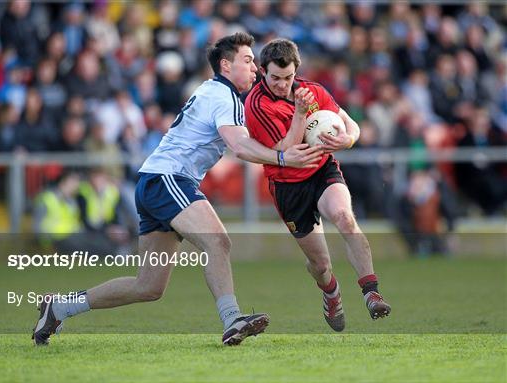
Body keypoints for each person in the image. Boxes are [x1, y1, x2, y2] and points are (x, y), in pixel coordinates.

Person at [32, 32, 324, 346]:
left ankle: (59, 307)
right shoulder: (222, 96)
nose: (255, 68)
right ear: (226, 65)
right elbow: (240, 146)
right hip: (167, 179)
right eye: (248, 60)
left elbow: (255, 143)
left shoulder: (222, 95)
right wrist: (283, 157)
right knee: (218, 242)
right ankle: (232, 319)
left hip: (157, 181)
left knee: (148, 287)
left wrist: (295, 124)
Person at [244, 38, 391, 332]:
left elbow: (352, 126)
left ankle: (371, 293)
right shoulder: (257, 104)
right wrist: (300, 114)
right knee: (321, 266)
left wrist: (347, 140)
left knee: (345, 218)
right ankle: (331, 292)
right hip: (288, 187)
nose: (283, 85)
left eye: (288, 78)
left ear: (296, 71)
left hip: (321, 170)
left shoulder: (313, 90)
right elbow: (286, 152)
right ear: (262, 71)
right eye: (275, 78)